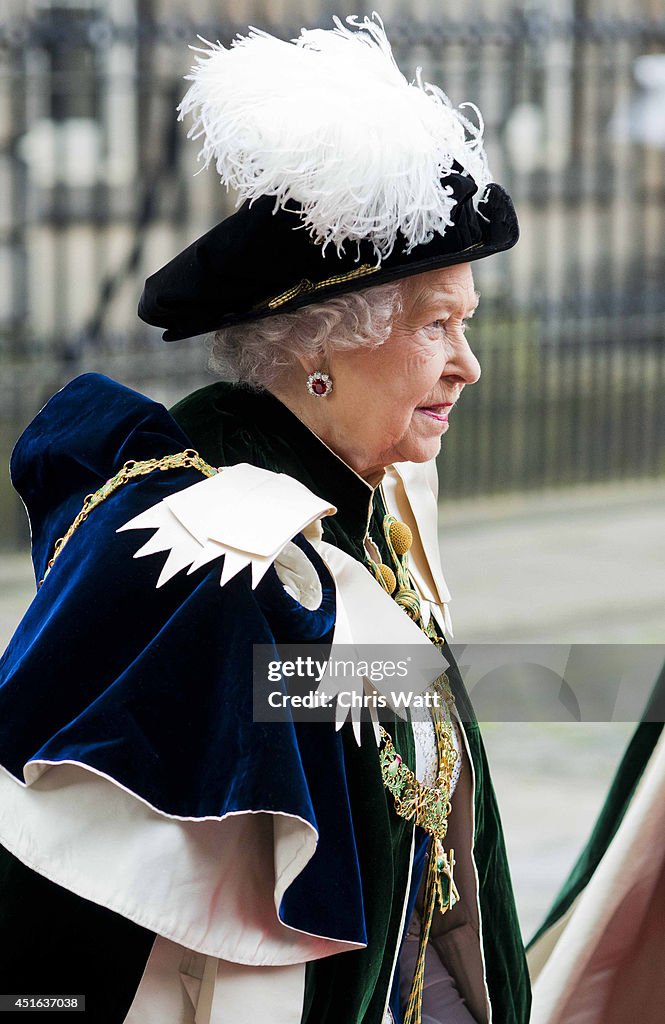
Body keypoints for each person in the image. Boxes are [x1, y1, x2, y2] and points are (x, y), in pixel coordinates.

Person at [0, 15, 529, 1024]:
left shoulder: (366, 506)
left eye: (467, 324)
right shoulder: (203, 541)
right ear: (325, 345)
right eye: (436, 326)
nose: (468, 365)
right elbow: (61, 907)